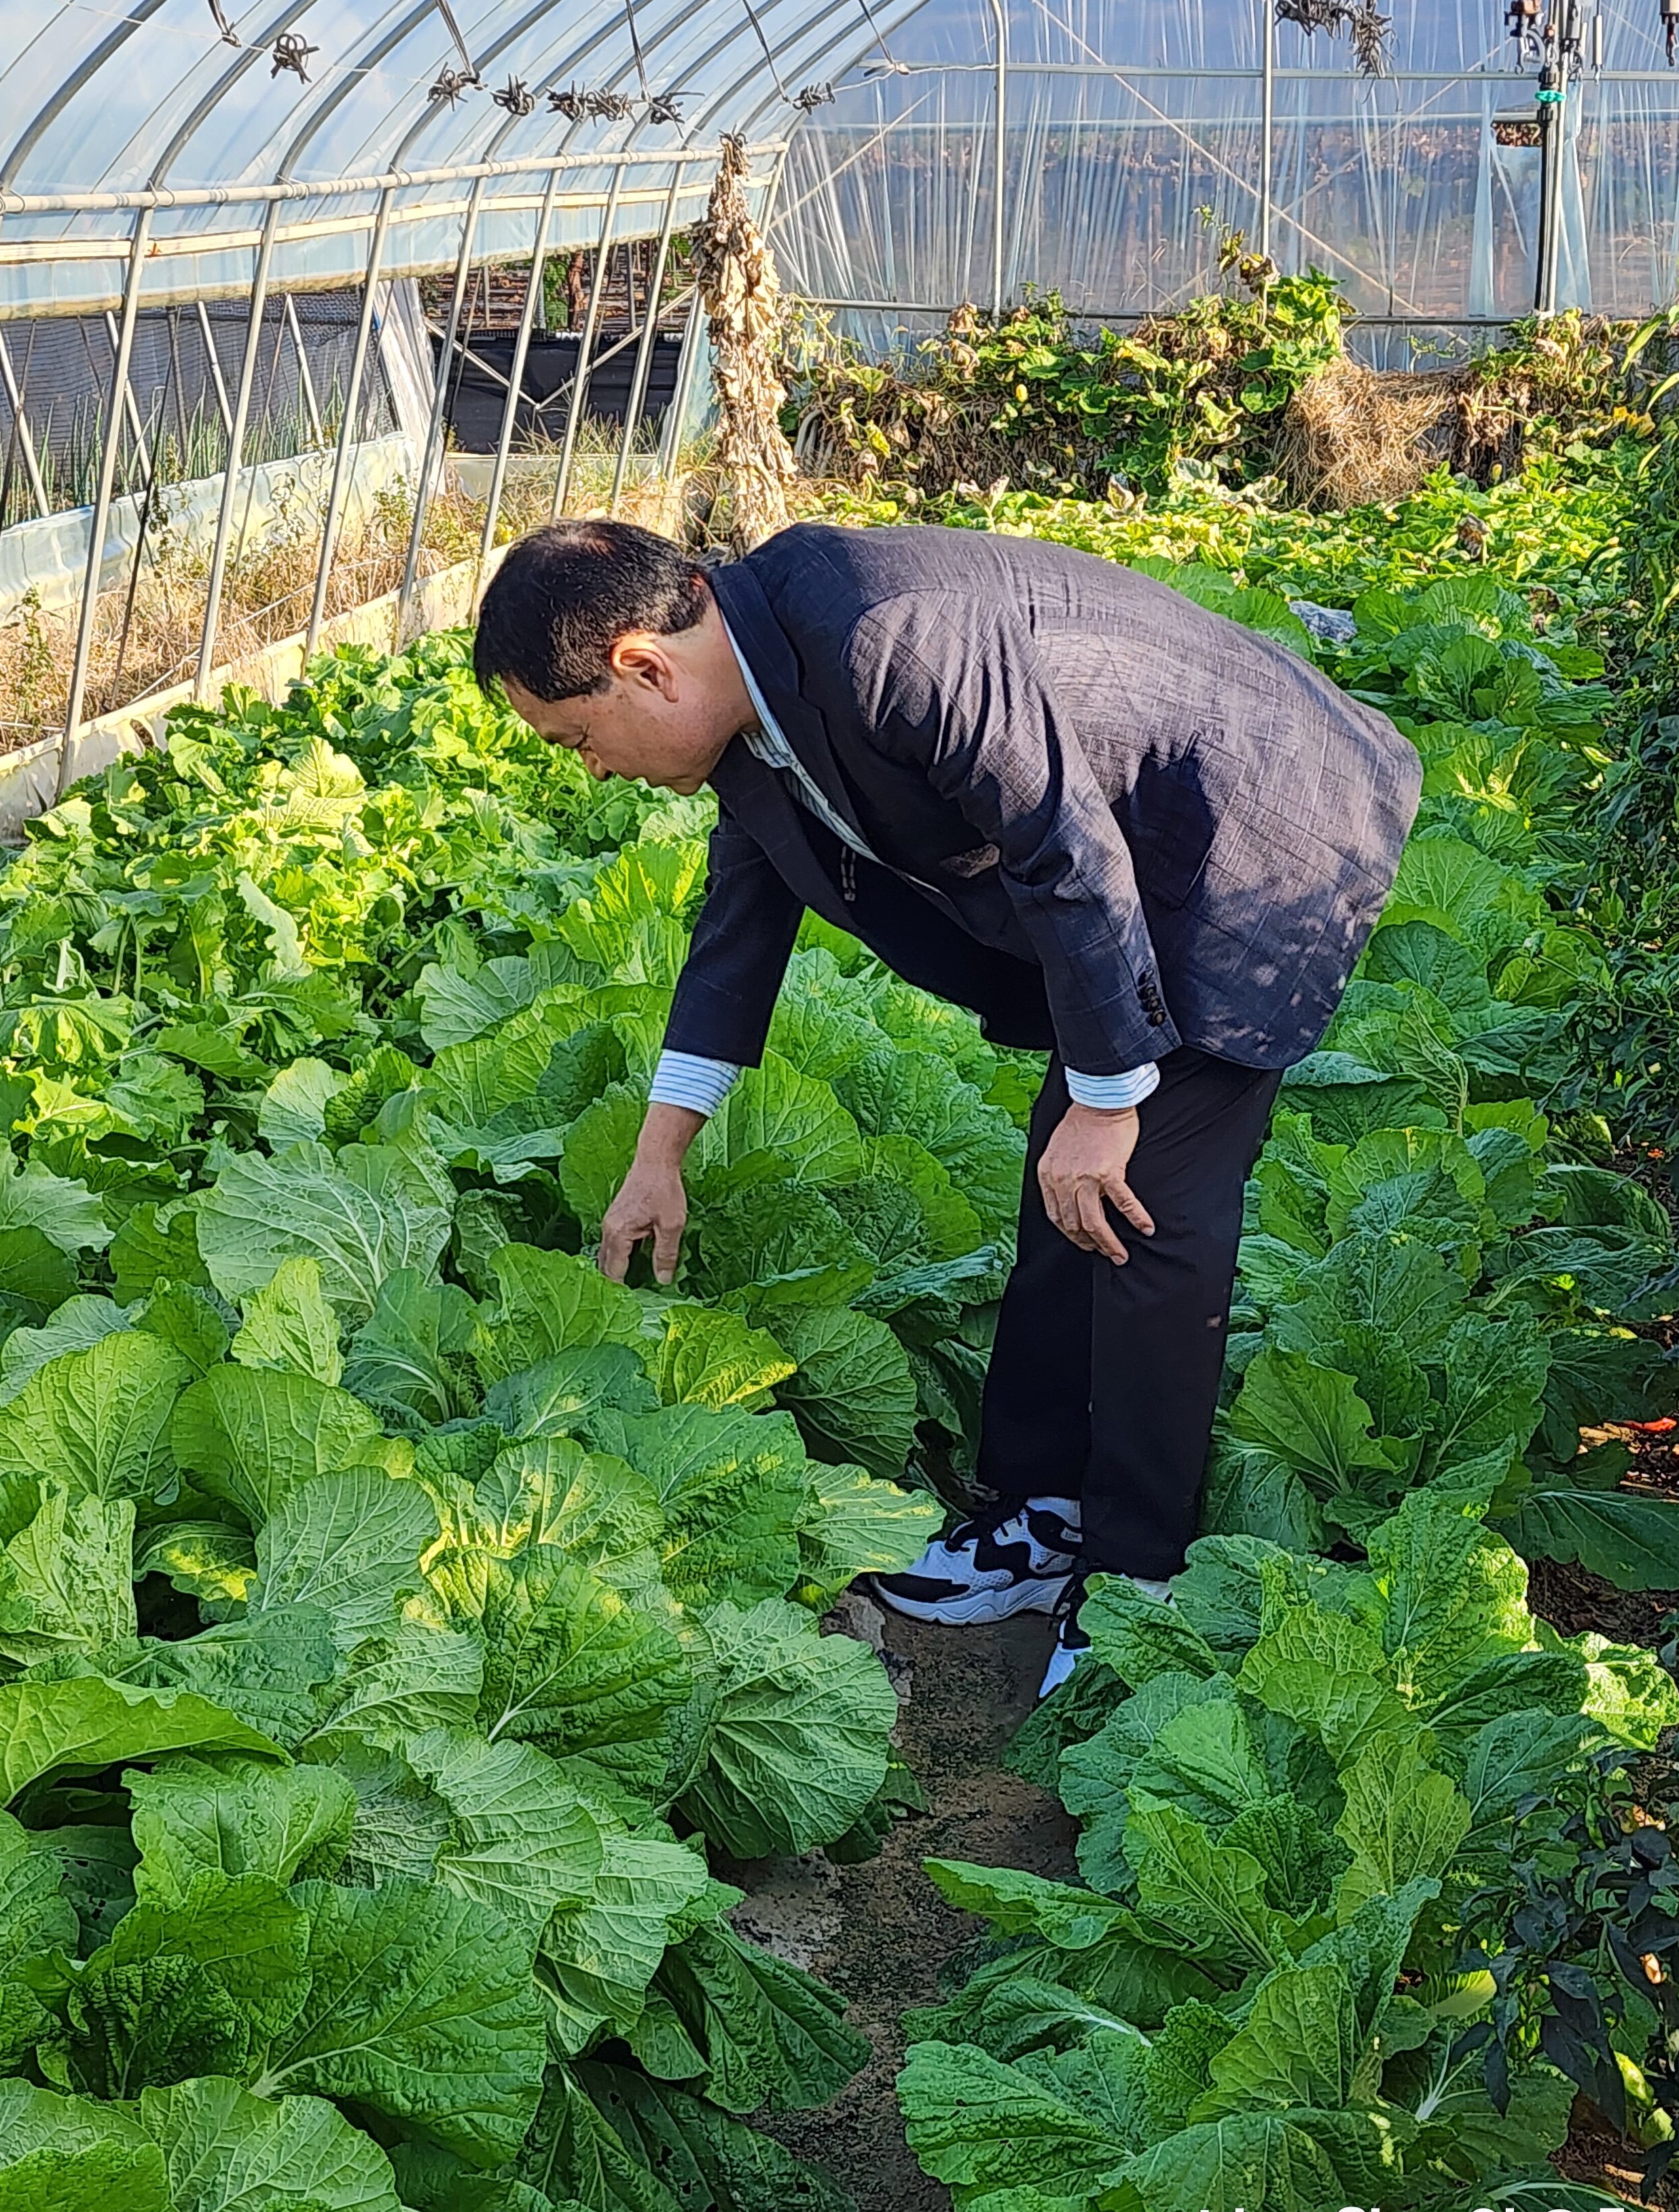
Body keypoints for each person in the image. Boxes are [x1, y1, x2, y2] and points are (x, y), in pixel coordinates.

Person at [473, 516, 1420, 1694]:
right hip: (1124, 844)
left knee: (1144, 1201)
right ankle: (1041, 1514)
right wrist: (661, 1150)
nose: (593, 769)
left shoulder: (885, 633)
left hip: (1261, 820)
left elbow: (1063, 848)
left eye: (576, 738)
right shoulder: (750, 693)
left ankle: (1137, 1582)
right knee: (1068, 1186)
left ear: (642, 666)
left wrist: (1108, 1099)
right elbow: (739, 928)